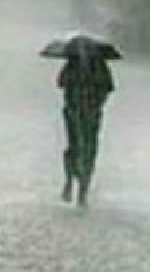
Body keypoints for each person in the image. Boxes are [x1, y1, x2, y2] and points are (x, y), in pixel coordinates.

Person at [58, 52, 114, 207]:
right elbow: (108, 89)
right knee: (88, 150)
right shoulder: (100, 66)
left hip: (75, 112)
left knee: (75, 147)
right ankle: (80, 190)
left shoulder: (72, 63)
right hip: (87, 114)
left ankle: (72, 183)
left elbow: (60, 83)